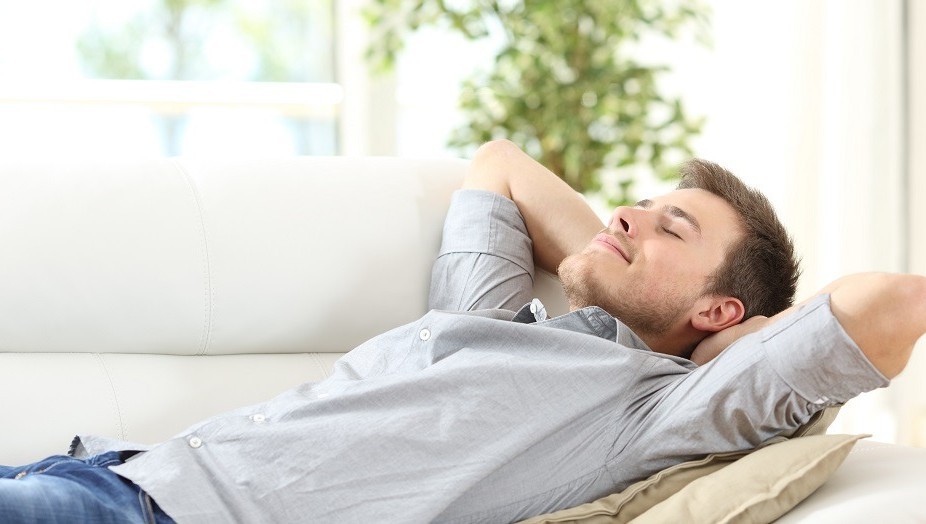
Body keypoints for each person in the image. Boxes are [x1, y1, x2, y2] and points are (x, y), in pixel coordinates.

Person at [2, 139, 924, 523]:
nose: (627, 216)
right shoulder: (494, 315)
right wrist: (608, 262)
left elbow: (888, 303)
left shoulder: (659, 411)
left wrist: (731, 342)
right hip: (105, 467)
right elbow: (500, 163)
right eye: (633, 205)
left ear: (725, 316)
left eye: (668, 226)